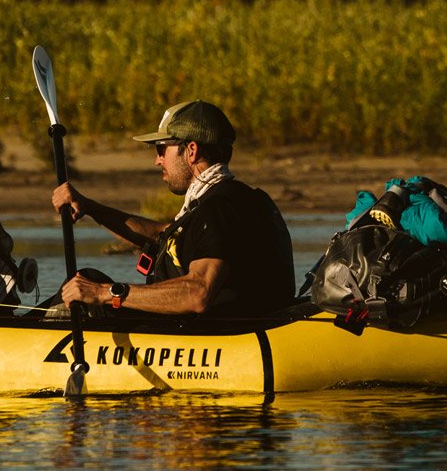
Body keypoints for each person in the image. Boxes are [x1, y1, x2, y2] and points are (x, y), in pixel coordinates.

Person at [50, 99, 296, 317]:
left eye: (161, 149)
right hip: (214, 330)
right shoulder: (221, 201)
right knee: (87, 278)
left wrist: (106, 293)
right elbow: (162, 235)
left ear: (191, 151)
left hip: (222, 341)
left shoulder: (221, 208)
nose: (157, 160)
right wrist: (91, 208)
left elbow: (198, 293)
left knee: (88, 288)